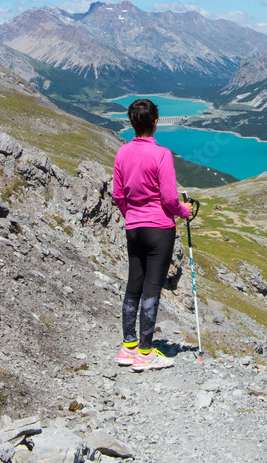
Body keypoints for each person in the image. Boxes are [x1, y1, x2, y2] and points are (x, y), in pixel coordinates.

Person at [111, 98, 193, 371]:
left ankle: (128, 346)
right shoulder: (161, 154)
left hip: (133, 228)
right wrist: (184, 211)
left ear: (132, 123)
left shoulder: (122, 153)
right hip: (159, 229)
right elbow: (170, 198)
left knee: (133, 284)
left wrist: (131, 215)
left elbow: (118, 194)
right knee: (151, 289)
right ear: (155, 122)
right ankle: (145, 352)